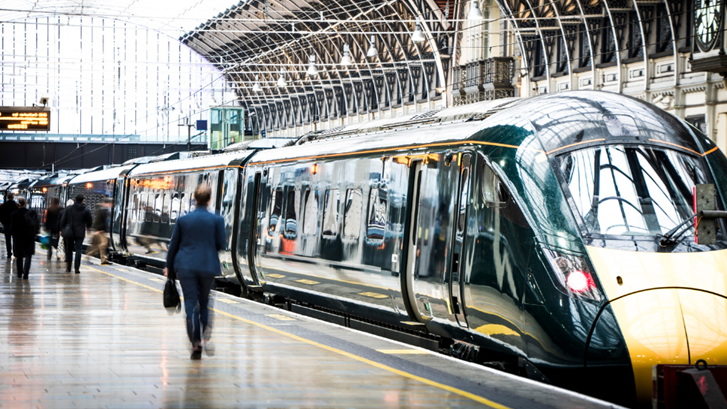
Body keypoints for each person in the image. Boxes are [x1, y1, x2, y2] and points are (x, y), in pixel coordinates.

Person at [164, 185, 225, 360]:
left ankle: (195, 344)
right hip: (207, 266)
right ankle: (206, 334)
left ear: (194, 198)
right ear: (209, 199)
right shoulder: (217, 220)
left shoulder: (183, 220)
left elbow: (173, 245)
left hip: (186, 266)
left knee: (190, 302)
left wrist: (169, 267)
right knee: (205, 302)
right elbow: (222, 244)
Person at [60, 194, 92, 274]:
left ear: (75, 200)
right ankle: (77, 268)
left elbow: (63, 220)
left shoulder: (68, 209)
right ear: (82, 201)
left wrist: (62, 229)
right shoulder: (86, 210)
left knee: (69, 249)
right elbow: (89, 222)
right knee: (78, 250)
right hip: (80, 233)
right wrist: (88, 228)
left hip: (69, 232)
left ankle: (68, 267)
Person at [9, 197, 39, 279]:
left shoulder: (14, 214)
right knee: (28, 255)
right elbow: (36, 225)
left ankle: (19, 273)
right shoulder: (31, 213)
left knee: (19, 256)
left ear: (18, 203)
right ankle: (26, 273)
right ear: (25, 203)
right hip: (29, 237)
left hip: (18, 238)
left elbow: (12, 227)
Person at [87, 198, 111, 265]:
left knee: (100, 245)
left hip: (101, 231)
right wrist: (97, 230)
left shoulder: (104, 210)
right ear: (107, 203)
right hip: (99, 231)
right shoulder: (101, 210)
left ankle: (102, 259)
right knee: (103, 244)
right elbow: (96, 220)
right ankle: (103, 259)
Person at [0, 192, 19, 258]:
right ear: (13, 197)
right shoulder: (16, 206)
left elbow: (1, 216)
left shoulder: (4, 205)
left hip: (6, 225)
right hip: (14, 225)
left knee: (8, 240)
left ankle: (9, 253)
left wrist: (3, 222)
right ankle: (15, 253)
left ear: (8, 197)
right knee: (15, 239)